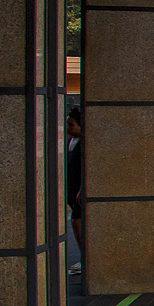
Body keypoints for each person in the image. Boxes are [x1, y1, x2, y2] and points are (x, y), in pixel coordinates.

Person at [66, 107, 84, 276]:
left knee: (76, 222)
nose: (68, 129)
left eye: (71, 125)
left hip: (79, 191)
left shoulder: (83, 145)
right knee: (76, 222)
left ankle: (85, 257)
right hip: (72, 190)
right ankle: (84, 256)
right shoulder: (70, 143)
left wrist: (82, 188)